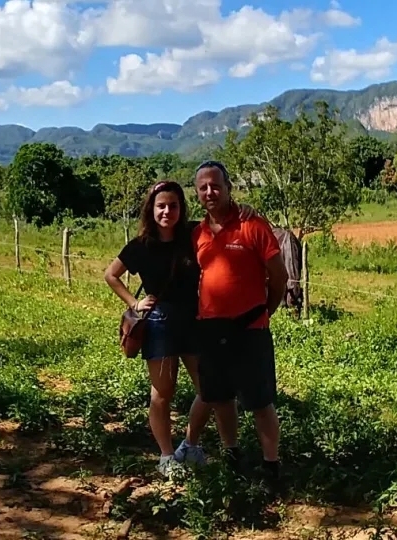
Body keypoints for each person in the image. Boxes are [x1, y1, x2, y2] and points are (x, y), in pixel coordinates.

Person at [104, 180, 257, 476]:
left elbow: (220, 221)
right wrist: (134, 303)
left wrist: (243, 210)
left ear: (181, 208)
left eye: (173, 206)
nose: (167, 212)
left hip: (193, 320)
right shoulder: (140, 246)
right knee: (163, 392)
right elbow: (111, 275)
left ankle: (189, 444)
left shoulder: (191, 234)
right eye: (161, 206)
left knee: (209, 389)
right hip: (159, 323)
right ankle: (165, 456)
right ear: (152, 209)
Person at [191, 160, 289, 494]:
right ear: (197, 193)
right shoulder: (197, 232)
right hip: (210, 330)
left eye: (215, 185)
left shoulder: (253, 225)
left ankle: (271, 465)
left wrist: (265, 312)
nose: (209, 192)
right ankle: (231, 453)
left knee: (260, 402)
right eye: (203, 187)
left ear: (229, 187)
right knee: (220, 398)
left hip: (250, 329)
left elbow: (279, 278)